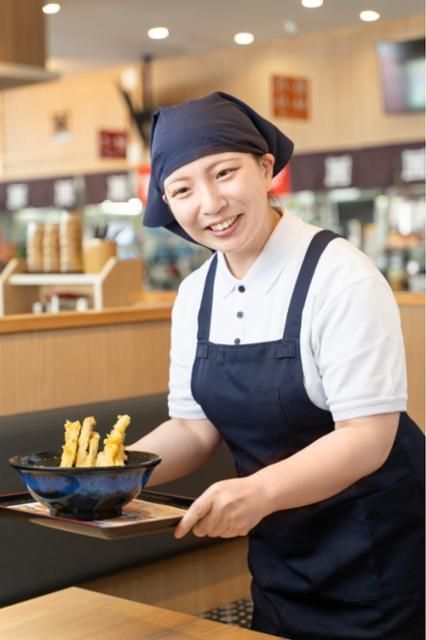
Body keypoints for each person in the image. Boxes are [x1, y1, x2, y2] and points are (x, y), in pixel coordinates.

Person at [128, 92, 425, 640]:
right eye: (183, 189)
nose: (211, 203)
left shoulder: (341, 276)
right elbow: (193, 428)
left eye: (224, 173)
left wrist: (258, 493)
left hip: (384, 544)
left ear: (267, 168)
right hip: (282, 546)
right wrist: (117, 473)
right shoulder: (194, 294)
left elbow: (367, 437)